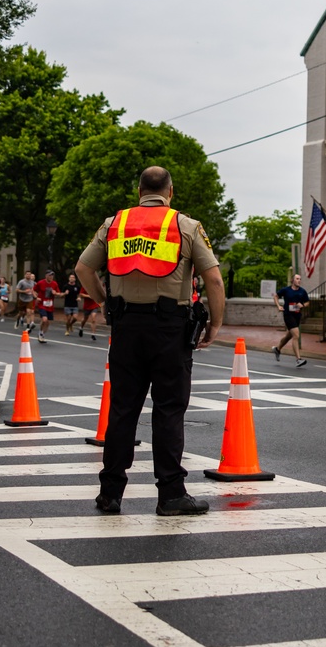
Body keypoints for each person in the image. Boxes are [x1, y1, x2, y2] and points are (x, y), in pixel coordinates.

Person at [76, 164, 225, 517]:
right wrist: (215, 325)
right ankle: (171, 494)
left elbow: (83, 268)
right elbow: (214, 281)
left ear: (139, 191)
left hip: (127, 327)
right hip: (170, 330)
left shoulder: (115, 225)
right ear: (170, 192)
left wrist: (104, 302)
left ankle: (110, 492)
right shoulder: (185, 226)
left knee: (123, 410)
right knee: (169, 410)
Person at [273, 273, 309, 367]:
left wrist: (303, 305)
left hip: (297, 315)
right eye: (297, 279)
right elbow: (275, 296)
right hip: (288, 315)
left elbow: (307, 302)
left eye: (300, 279)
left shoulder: (302, 291)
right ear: (292, 280)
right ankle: (298, 359)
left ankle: (277, 349)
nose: (299, 280)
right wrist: (279, 306)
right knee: (296, 335)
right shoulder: (286, 290)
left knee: (289, 336)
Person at [34, 271, 58, 343]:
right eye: (49, 275)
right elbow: (34, 291)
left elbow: (58, 293)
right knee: (44, 319)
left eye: (52, 276)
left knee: (47, 322)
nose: (51, 277)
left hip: (50, 305)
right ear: (46, 276)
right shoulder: (40, 283)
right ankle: (40, 333)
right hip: (42, 304)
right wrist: (36, 297)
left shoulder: (54, 284)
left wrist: (55, 293)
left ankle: (42, 334)